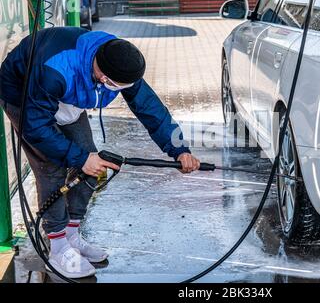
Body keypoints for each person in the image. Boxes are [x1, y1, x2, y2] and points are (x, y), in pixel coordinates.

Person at [0, 27, 200, 278]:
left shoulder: (119, 61)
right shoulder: (55, 69)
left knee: (93, 164)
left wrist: (179, 150)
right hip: (26, 95)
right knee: (51, 165)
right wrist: (80, 158)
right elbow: (36, 127)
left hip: (68, 92)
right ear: (103, 76)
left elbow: (150, 108)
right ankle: (58, 244)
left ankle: (72, 233)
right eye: (114, 87)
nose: (117, 91)